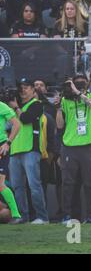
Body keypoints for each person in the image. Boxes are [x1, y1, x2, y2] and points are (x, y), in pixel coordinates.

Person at [55, 73, 91, 224]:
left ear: (87, 83)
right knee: (68, 183)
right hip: (69, 147)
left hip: (87, 147)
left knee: (90, 183)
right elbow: (60, 125)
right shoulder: (65, 100)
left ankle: (90, 216)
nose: (80, 83)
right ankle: (67, 216)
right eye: (76, 82)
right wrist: (58, 107)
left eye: (82, 81)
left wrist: (77, 92)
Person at [8, 78, 49, 224]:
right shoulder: (13, 109)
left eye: (26, 87)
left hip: (31, 149)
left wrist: (16, 108)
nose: (23, 90)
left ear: (33, 89)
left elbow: (26, 119)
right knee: (17, 186)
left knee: (34, 185)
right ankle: (22, 216)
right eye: (21, 87)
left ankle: (42, 217)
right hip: (15, 150)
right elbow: (6, 126)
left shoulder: (36, 104)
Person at [0, 98, 21, 224]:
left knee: (0, 184)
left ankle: (15, 214)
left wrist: (8, 143)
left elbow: (17, 124)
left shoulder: (1, 106)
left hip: (1, 146)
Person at [53, 0, 89, 72]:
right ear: (64, 11)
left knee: (85, 58)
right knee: (63, 58)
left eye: (72, 9)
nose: (69, 11)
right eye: (67, 9)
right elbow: (56, 44)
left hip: (81, 53)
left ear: (76, 11)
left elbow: (87, 42)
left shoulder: (85, 24)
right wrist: (69, 56)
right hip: (64, 53)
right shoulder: (58, 24)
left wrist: (79, 55)